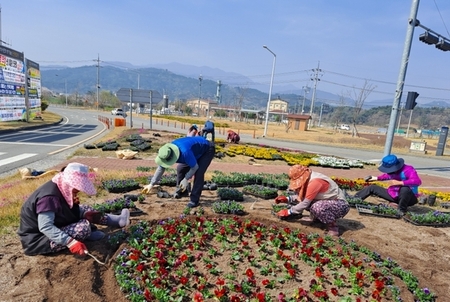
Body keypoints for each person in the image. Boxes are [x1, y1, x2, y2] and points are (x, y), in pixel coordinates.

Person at [17, 163, 130, 256]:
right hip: (38, 240)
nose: (78, 191)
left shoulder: (61, 186)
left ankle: (118, 220)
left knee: (85, 209)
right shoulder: (49, 198)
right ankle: (84, 234)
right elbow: (45, 226)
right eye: (77, 189)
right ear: (69, 183)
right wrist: (70, 242)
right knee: (83, 228)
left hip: (56, 224)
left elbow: (62, 210)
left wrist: (82, 213)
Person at [275, 165, 349, 236]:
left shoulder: (315, 182)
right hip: (326, 202)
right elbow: (303, 197)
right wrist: (287, 199)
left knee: (317, 207)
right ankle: (317, 219)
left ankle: (333, 227)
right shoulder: (308, 180)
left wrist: (288, 212)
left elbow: (305, 203)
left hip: (340, 205)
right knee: (314, 204)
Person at [142, 136, 215, 208]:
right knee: (180, 168)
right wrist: (151, 184)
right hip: (195, 151)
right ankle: (182, 191)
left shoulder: (185, 152)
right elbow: (161, 167)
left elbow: (194, 167)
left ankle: (194, 200)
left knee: (199, 173)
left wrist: (186, 179)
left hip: (207, 149)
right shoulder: (167, 151)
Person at [352, 154, 422, 216]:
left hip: (408, 198)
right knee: (372, 188)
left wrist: (400, 183)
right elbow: (386, 176)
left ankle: (401, 211)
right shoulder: (392, 172)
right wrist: (375, 178)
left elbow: (417, 181)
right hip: (394, 195)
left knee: (405, 189)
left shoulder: (408, 169)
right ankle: (354, 200)